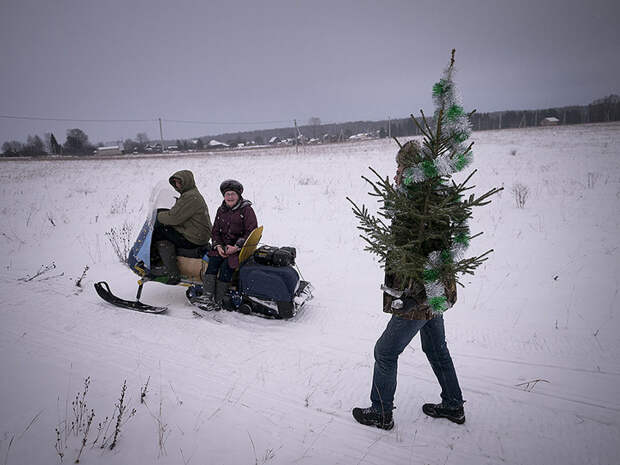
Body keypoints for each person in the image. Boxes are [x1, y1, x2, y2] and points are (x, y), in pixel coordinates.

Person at [352, 141, 465, 430]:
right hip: (432, 295)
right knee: (436, 347)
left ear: (414, 171)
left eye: (401, 168)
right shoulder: (424, 201)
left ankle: (381, 412)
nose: (397, 172)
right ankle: (453, 404)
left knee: (385, 351)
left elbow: (433, 257)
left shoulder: (422, 210)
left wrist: (417, 296)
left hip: (419, 296)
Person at [198, 179, 257, 309]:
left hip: (240, 250)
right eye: (227, 194)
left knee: (226, 267)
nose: (230, 197)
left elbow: (251, 231)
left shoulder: (246, 210)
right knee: (212, 264)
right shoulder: (221, 210)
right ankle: (207, 296)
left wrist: (236, 247)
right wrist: (218, 246)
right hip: (222, 248)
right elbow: (215, 231)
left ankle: (218, 300)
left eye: (233, 194)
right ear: (224, 196)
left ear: (238, 195)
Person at [153, 170, 212, 284]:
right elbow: (179, 215)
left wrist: (158, 215)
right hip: (198, 235)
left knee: (160, 232)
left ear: (187, 182)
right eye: (175, 182)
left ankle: (171, 272)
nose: (177, 185)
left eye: (179, 182)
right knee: (166, 229)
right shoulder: (192, 194)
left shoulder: (190, 196)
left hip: (194, 239)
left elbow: (173, 218)